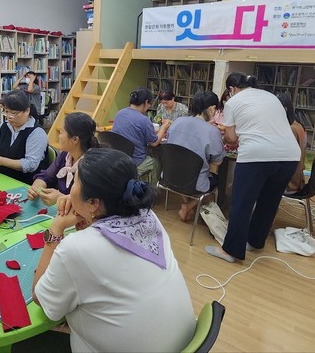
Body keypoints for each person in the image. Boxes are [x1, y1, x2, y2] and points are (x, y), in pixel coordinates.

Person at [32, 148, 195, 352]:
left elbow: (41, 298)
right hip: (181, 342)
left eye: (76, 181)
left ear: (94, 202)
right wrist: (89, 216)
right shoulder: (148, 216)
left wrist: (56, 229)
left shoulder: (76, 248)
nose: (70, 188)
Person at [205, 73, 300, 263]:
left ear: (231, 89)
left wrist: (224, 135)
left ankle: (230, 251)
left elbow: (232, 138)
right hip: (290, 155)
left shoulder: (233, 102)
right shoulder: (270, 96)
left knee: (242, 203)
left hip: (257, 156)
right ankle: (255, 241)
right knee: (269, 201)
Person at [166, 90, 225, 222]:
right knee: (215, 179)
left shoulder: (177, 122)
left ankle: (187, 204)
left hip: (170, 177)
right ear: (212, 108)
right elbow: (217, 162)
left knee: (187, 173)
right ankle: (188, 206)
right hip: (194, 183)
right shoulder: (212, 131)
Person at [28, 112, 98, 206]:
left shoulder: (92, 167)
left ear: (75, 140)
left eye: (61, 132)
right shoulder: (66, 155)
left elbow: (90, 205)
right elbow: (47, 176)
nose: (58, 136)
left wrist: (60, 198)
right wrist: (36, 188)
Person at [0, 89, 49, 184]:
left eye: (14, 113)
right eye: (6, 111)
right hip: (2, 178)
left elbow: (31, 164)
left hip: (25, 183)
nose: (9, 116)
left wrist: (1, 161)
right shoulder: (4, 126)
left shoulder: (36, 132)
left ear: (27, 111)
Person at [112, 87, 170, 186]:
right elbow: (154, 142)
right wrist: (164, 128)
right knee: (156, 160)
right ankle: (150, 189)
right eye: (149, 104)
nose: (149, 106)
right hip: (136, 161)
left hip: (119, 158)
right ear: (146, 102)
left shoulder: (120, 113)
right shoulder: (144, 119)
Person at [278, 93, 307, 194]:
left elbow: (283, 158)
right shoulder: (298, 125)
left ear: (284, 109)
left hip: (290, 183)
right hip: (297, 178)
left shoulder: (291, 130)